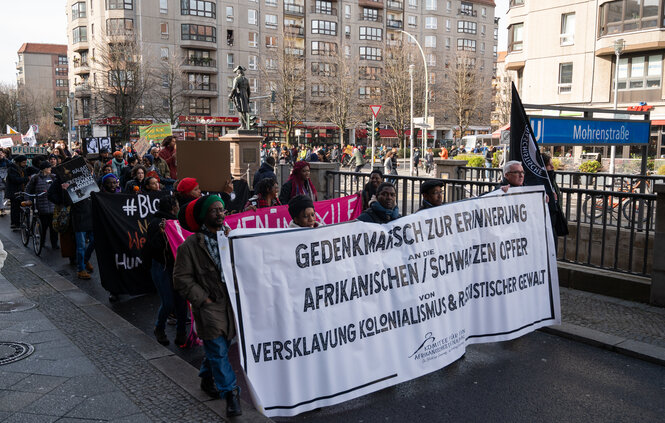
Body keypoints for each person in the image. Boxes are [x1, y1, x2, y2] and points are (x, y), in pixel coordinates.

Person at [173, 195, 242, 417]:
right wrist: (203, 299)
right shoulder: (190, 247)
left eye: (222, 210)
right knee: (219, 351)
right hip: (210, 307)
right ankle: (231, 394)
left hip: (231, 305)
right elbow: (181, 278)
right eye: (214, 210)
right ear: (204, 216)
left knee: (221, 347)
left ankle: (206, 375)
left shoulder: (232, 238)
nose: (220, 214)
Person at [146, 196, 188, 347]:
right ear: (172, 208)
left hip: (178, 267)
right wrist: (162, 233)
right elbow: (152, 248)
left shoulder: (179, 222)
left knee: (182, 303)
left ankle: (181, 332)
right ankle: (159, 328)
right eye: (177, 205)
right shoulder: (156, 224)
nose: (179, 208)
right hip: (162, 267)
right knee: (168, 302)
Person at [26, 162, 58, 249]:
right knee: (43, 227)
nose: (50, 169)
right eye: (48, 168)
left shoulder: (53, 177)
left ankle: (54, 244)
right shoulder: (35, 178)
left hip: (52, 205)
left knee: (53, 228)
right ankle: (42, 242)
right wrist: (28, 199)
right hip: (41, 206)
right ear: (44, 169)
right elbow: (28, 189)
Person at [6, 155, 29, 230]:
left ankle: (19, 222)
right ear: (18, 162)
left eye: (25, 162)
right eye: (23, 162)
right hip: (14, 192)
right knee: (15, 208)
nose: (25, 164)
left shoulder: (23, 169)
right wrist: (26, 179)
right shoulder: (12, 169)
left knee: (20, 207)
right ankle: (15, 223)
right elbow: (15, 180)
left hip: (21, 191)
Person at [229, 65, 251, 130]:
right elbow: (249, 91)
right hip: (245, 95)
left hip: (239, 95)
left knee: (240, 111)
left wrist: (230, 95)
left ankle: (243, 126)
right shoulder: (246, 80)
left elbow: (234, 88)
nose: (236, 73)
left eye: (236, 72)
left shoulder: (237, 79)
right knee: (244, 112)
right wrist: (247, 98)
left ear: (238, 72)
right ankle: (245, 126)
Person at [0, 150, 10, 217]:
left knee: (3, 194)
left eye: (1, 153)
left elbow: (11, 166)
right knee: (1, 194)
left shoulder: (6, 161)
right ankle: (2, 209)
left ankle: (2, 208)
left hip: (4, 179)